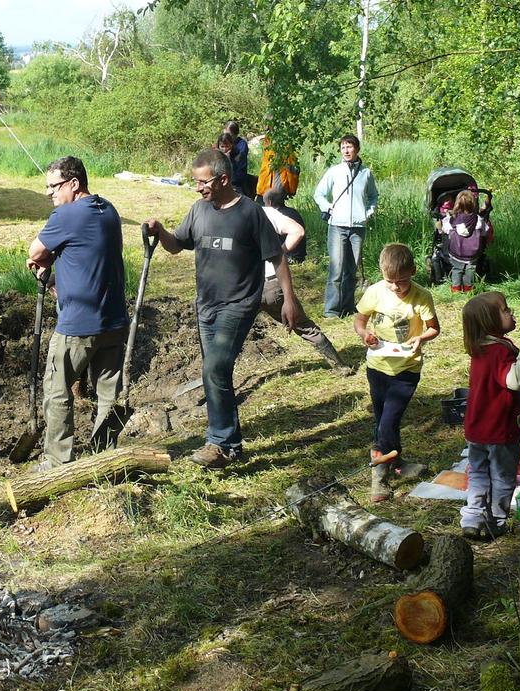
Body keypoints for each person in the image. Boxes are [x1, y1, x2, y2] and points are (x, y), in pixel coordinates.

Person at [144, 148, 301, 468]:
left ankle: (220, 443)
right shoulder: (199, 211)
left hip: (239, 304)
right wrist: (160, 232)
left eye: (202, 182)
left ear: (223, 179)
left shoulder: (250, 213)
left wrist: (290, 299)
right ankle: (232, 443)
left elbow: (277, 256)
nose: (198, 188)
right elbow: (177, 245)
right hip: (206, 305)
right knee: (218, 370)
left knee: (214, 367)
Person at [26, 156, 129, 471]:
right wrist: (59, 275)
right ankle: (104, 457)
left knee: (57, 389)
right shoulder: (108, 209)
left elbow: (35, 252)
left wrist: (44, 263)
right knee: (108, 392)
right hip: (114, 320)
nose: (49, 193)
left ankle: (57, 461)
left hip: (78, 323)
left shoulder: (66, 215)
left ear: (74, 183)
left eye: (54, 185)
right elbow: (87, 255)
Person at [353, 243, 440, 502]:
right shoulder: (375, 292)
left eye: (401, 281)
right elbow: (359, 319)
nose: (395, 287)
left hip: (406, 368)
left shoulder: (422, 296)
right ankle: (397, 461)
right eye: (390, 281)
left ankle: (378, 479)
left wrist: (421, 338)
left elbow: (434, 327)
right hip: (378, 366)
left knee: (389, 419)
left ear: (413, 272)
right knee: (382, 418)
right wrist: (364, 333)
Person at [460, 293, 520, 540]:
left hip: (477, 428)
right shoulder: (500, 350)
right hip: (499, 429)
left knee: (478, 473)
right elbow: (513, 380)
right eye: (505, 310)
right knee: (502, 477)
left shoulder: (480, 348)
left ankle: (472, 517)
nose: (511, 312)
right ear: (490, 322)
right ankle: (495, 522)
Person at [259, 188, 353, 375]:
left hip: (245, 285)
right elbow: (298, 231)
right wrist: (279, 252)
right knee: (305, 327)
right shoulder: (265, 213)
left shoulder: (237, 215)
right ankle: (340, 365)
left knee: (230, 335)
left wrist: (277, 254)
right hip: (271, 282)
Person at [314, 134, 378, 318]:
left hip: (358, 227)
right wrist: (327, 207)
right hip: (337, 226)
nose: (346, 150)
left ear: (357, 149)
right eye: (343, 147)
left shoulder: (366, 173)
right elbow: (319, 194)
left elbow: (374, 195)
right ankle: (332, 310)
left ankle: (348, 307)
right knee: (336, 268)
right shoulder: (334, 171)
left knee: (351, 269)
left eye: (349, 147)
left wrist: (369, 212)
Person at [442, 190, 488, 293]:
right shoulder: (478, 220)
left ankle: (456, 288)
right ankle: (468, 288)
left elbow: (445, 230)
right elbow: (485, 232)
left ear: (457, 203)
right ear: (474, 204)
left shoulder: (452, 220)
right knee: (470, 269)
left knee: (457, 269)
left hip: (456, 251)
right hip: (472, 253)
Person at [255, 134, 299, 205]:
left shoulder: (284, 143)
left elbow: (292, 169)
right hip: (264, 187)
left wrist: (292, 189)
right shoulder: (268, 140)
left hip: (276, 188)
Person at [223, 121, 253, 197]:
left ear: (235, 134)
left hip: (237, 181)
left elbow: (239, 160)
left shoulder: (242, 144)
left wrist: (229, 156)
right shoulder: (223, 142)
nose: (227, 136)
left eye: (229, 134)